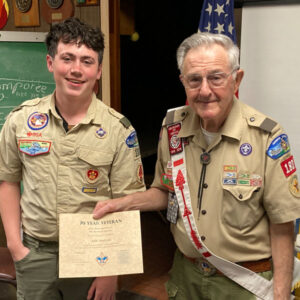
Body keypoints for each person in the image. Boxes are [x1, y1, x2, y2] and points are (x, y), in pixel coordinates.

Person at [93, 32, 300, 300]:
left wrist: (281, 295)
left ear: (236, 79)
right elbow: (165, 192)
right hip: (185, 277)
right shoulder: (173, 128)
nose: (204, 90)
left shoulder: (266, 138)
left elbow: (282, 226)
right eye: (194, 79)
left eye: (216, 77)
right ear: (183, 82)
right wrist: (122, 204)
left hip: (243, 285)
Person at [0, 17, 145, 300]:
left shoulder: (118, 129)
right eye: (67, 58)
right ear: (50, 63)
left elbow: (128, 203)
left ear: (99, 70)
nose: (76, 70)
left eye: (87, 61)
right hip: (35, 253)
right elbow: (8, 182)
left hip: (94, 256)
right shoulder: (21, 120)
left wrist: (110, 272)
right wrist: (16, 246)